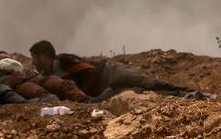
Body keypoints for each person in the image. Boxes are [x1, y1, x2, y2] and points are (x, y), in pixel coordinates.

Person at [29, 40, 209, 101]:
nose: (33, 62)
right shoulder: (49, 78)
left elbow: (90, 70)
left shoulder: (64, 60)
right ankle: (185, 96)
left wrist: (90, 95)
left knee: (149, 82)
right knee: (147, 94)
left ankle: (192, 92)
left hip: (111, 73)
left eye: (35, 58)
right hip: (108, 89)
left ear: (44, 56)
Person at [0, 51, 88, 102]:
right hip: (13, 81)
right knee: (37, 90)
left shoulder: (20, 67)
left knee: (55, 83)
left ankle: (81, 97)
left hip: (22, 74)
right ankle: (55, 102)